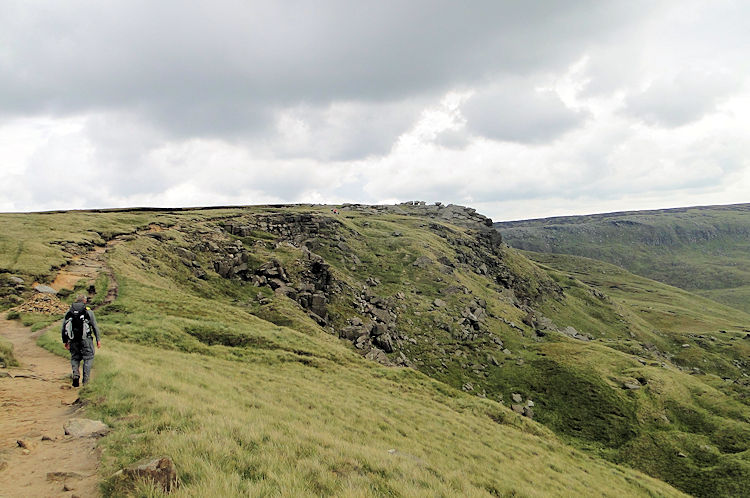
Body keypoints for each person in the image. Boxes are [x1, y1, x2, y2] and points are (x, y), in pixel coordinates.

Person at [61, 294, 101, 387]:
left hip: (73, 339)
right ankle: (85, 382)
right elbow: (94, 326)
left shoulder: (69, 311)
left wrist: (65, 341)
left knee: (75, 357)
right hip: (86, 339)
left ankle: (75, 374)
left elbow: (63, 327)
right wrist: (98, 339)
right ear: (85, 301)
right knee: (88, 357)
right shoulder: (88, 312)